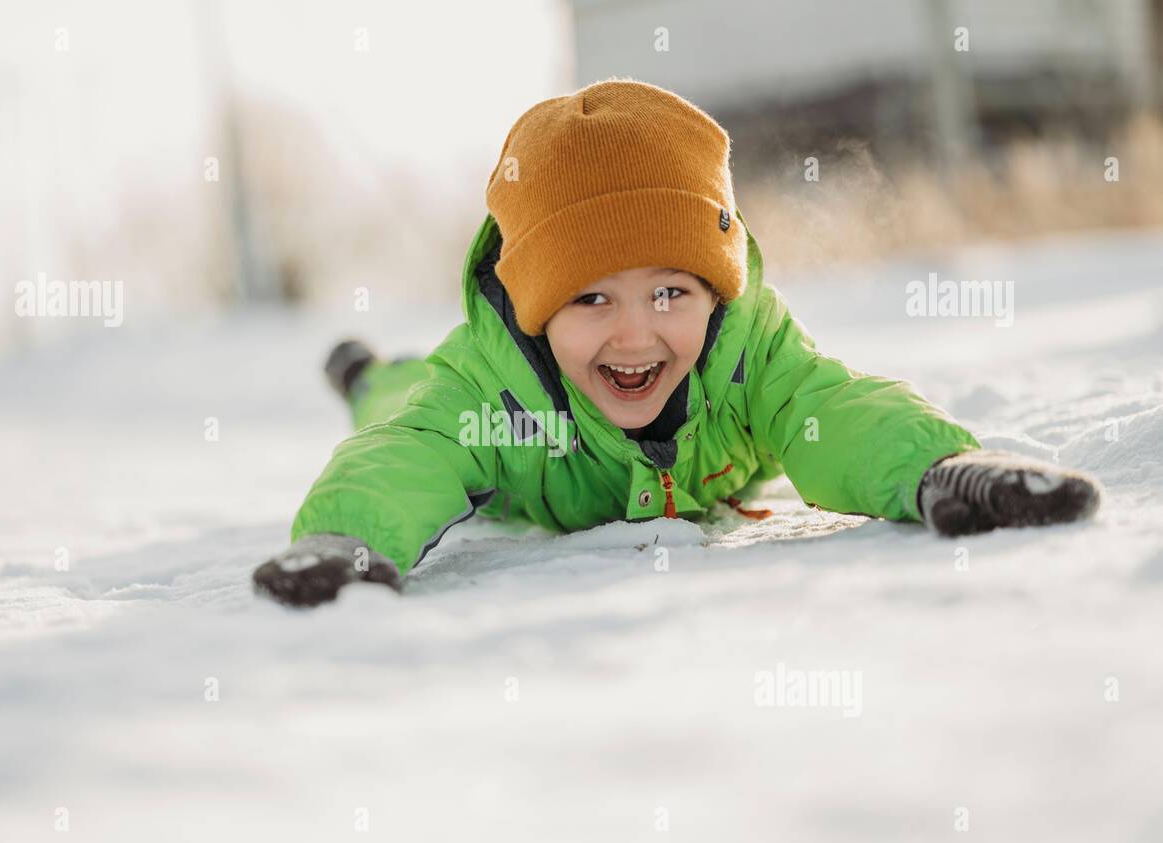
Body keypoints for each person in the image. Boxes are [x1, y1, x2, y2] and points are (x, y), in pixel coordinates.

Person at [253, 79, 1100, 608]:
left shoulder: (750, 356)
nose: (634, 334)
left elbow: (832, 411)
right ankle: (365, 370)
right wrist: (346, 535)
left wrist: (935, 470)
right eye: (588, 297)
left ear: (714, 289)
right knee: (399, 400)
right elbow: (416, 452)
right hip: (462, 415)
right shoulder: (492, 393)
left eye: (669, 292)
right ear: (535, 309)